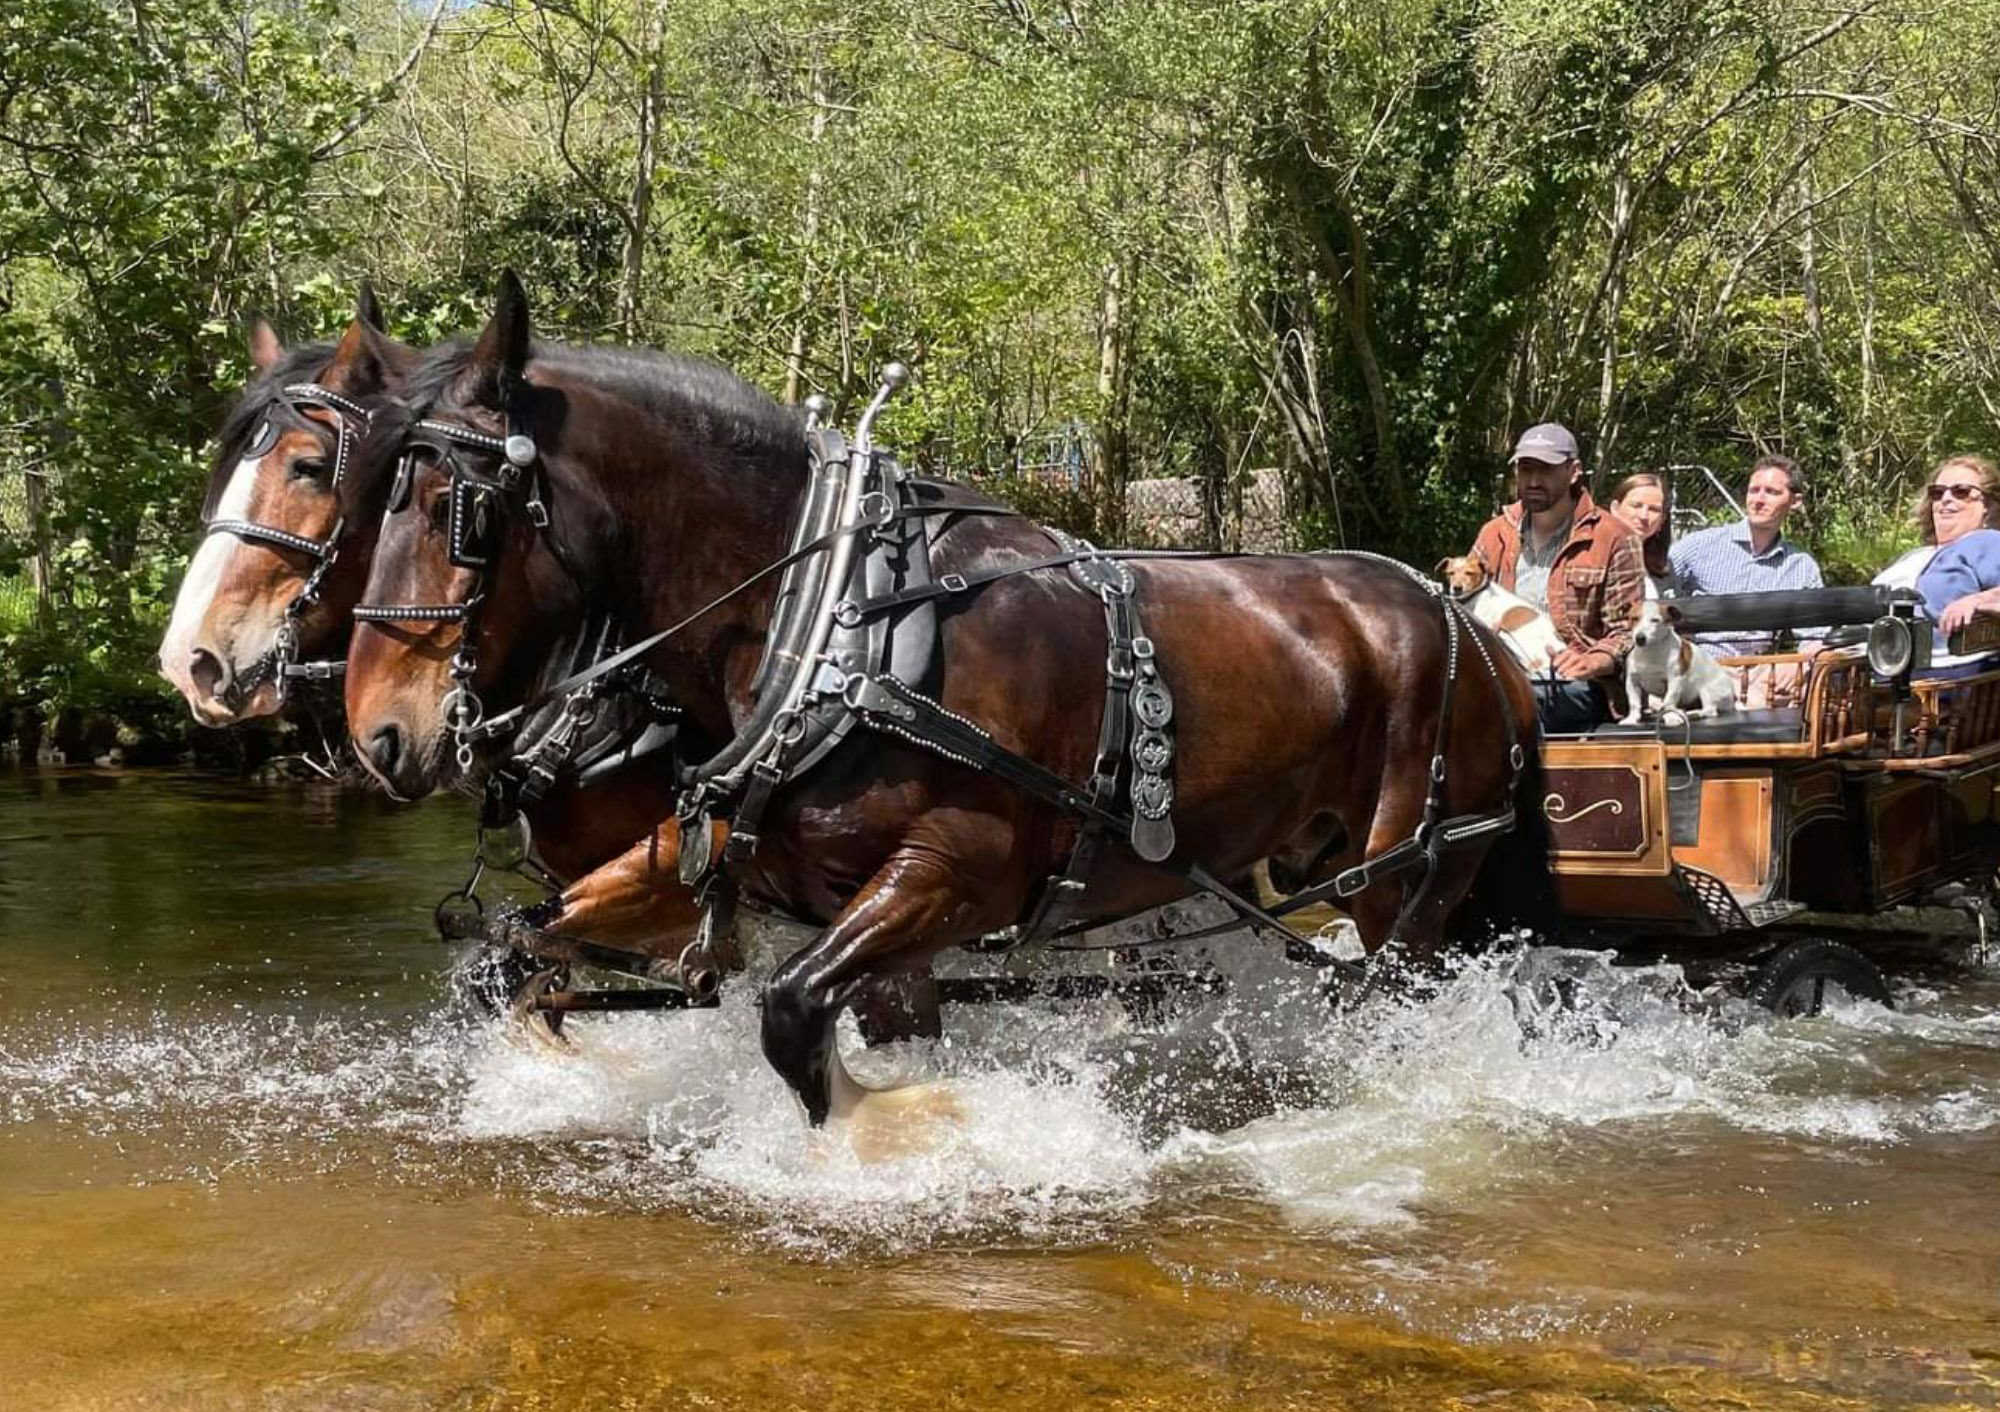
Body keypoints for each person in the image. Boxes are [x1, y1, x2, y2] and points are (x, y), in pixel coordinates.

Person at [1469, 422, 1645, 731]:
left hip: (1576, 685)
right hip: (1497, 674)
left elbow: (1628, 630)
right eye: (1525, 469)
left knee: (1501, 707)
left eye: (1546, 470)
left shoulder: (1614, 537)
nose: (1534, 480)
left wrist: (1594, 660)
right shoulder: (1495, 533)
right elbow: (1464, 603)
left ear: (1573, 471)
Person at [1668, 454, 1824, 656]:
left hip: (1762, 675)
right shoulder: (1698, 546)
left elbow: (1815, 635)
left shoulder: (1801, 566)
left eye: (1771, 492)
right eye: (1754, 490)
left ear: (1795, 502)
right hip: (1700, 672)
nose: (1758, 500)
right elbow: (1654, 592)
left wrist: (1797, 665)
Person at [1881, 454, 2000, 675]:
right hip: (1864, 668)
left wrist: (1978, 601)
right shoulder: (1913, 557)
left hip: (1938, 681)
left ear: (1988, 506)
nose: (1946, 498)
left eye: (1961, 492)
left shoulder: (1988, 542)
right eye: (1937, 493)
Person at [1606, 472, 1674, 599]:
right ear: (1615, 509)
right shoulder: (1594, 558)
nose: (1644, 516)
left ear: (1662, 519)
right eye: (1636, 506)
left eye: (1654, 509)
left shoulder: (1663, 566)